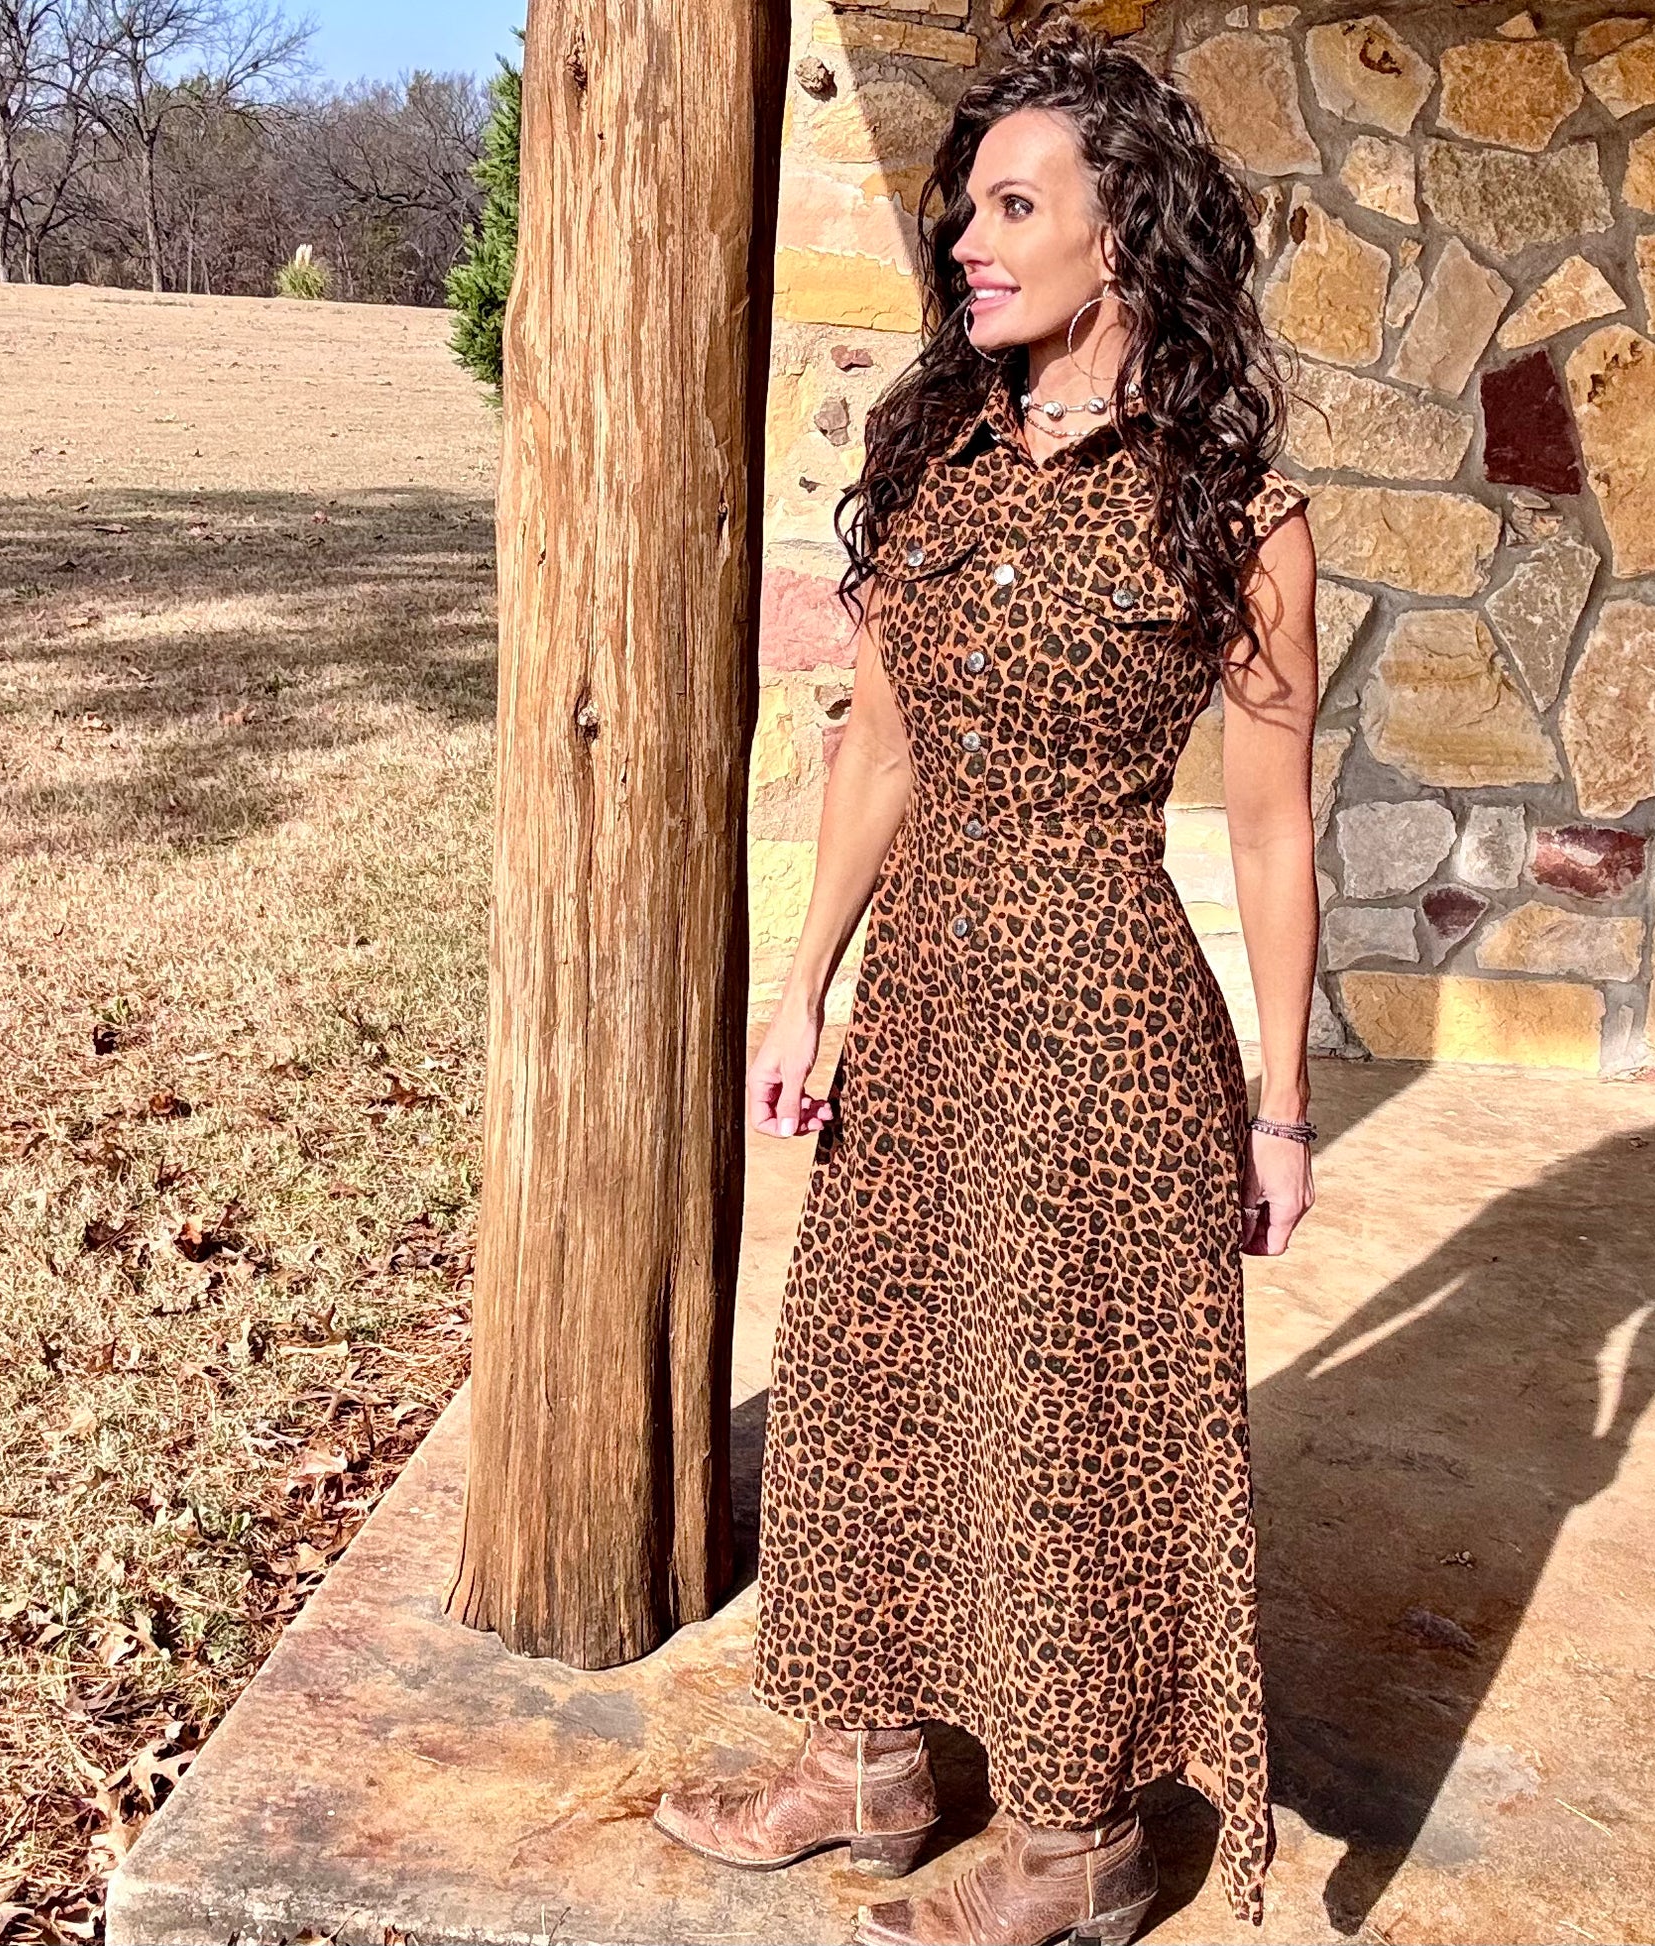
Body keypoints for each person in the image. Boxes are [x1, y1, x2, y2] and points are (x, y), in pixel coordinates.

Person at [654, 17, 1320, 1945]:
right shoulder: (931, 456)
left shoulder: (1235, 510)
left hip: (1103, 1020)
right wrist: (803, 986)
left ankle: (1075, 1839)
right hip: (924, 1002)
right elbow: (875, 745)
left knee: (1060, 1422)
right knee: (863, 1369)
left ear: (1126, 235)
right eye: (965, 207)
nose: (968, 239)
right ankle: (863, 1760)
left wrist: (1281, 1106)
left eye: (1014, 207)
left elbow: (1271, 829)